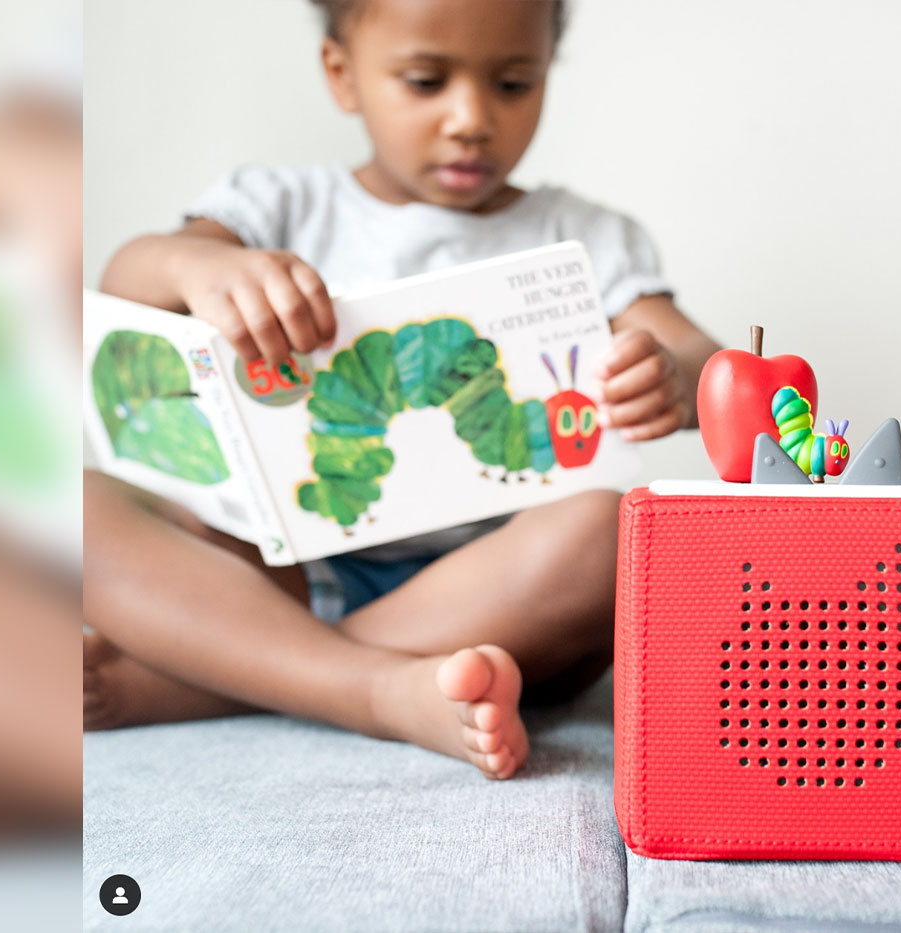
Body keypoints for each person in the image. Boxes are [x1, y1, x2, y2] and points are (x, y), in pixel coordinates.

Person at [86, 0, 721, 779]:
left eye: (514, 84)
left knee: (612, 529)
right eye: (425, 81)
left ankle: (225, 673)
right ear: (341, 74)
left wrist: (674, 373)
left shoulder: (583, 232)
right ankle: (380, 689)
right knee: (80, 505)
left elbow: (699, 352)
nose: (470, 119)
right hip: (269, 570)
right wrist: (194, 268)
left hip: (488, 588)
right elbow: (124, 288)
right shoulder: (276, 205)